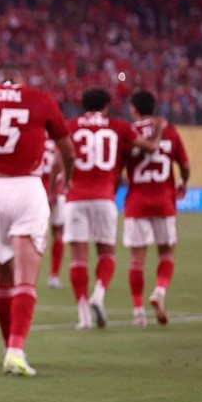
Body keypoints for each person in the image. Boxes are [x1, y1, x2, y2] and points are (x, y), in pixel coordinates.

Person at [0, 66, 73, 377]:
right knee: (26, 277)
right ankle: (16, 349)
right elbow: (67, 149)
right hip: (28, 188)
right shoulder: (40, 99)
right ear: (22, 81)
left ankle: (7, 347)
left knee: (1, 275)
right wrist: (68, 178)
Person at [63, 89, 161, 330]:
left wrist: (64, 179)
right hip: (105, 197)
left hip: (75, 198)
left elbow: (61, 156)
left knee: (78, 258)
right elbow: (149, 148)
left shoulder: (71, 125)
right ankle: (98, 293)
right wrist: (158, 129)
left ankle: (83, 316)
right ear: (106, 105)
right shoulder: (118, 126)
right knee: (107, 253)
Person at [122, 91, 189, 327]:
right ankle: (159, 291)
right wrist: (184, 182)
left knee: (136, 261)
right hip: (163, 201)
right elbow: (184, 165)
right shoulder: (169, 131)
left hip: (137, 202)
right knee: (166, 254)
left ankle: (138, 312)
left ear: (134, 109)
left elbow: (119, 164)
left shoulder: (129, 132)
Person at [39, 138, 67, 289]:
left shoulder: (36, 137)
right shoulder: (58, 140)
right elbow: (59, 164)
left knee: (35, 234)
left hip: (36, 190)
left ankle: (28, 274)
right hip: (56, 190)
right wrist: (54, 191)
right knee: (58, 233)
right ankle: (54, 275)